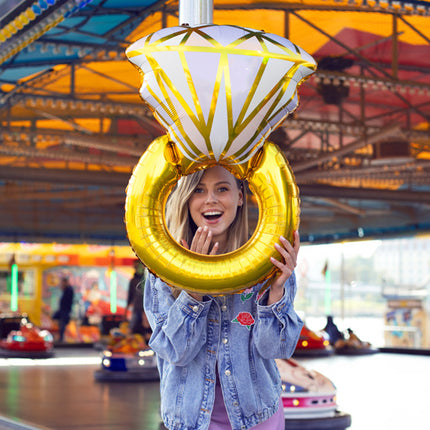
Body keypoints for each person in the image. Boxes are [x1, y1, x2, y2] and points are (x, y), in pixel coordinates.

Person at [144, 165, 303, 430]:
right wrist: (193, 289)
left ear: (240, 196)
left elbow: (277, 350)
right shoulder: (163, 268)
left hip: (258, 418)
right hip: (192, 422)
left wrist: (276, 292)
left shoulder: (268, 263)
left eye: (222, 188)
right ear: (186, 197)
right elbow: (176, 352)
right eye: (198, 190)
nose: (210, 199)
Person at [126, 260, 151, 341]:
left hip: (146, 307)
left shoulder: (146, 279)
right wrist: (126, 309)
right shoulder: (133, 280)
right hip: (137, 307)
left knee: (148, 326)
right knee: (133, 326)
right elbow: (130, 296)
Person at [54, 277, 74, 342]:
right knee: (61, 323)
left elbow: (67, 301)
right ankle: (61, 337)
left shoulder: (69, 289)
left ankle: (61, 338)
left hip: (65, 310)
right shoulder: (67, 289)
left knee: (62, 323)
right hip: (64, 310)